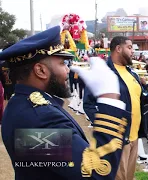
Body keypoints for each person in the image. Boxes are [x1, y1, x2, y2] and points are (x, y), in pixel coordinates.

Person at [0, 26, 138, 179]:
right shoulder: (38, 118)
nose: (67, 70)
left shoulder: (22, 104)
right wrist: (110, 98)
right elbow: (96, 173)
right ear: (40, 71)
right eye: (61, 63)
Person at [83, 36, 148, 180]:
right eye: (130, 47)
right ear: (118, 49)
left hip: (133, 138)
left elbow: (137, 97)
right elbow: (88, 104)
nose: (133, 51)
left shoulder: (132, 74)